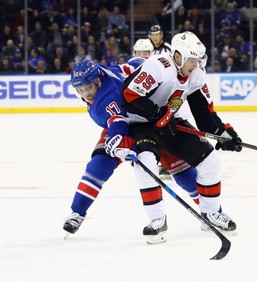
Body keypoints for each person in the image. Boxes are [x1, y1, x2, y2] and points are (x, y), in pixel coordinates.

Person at [63, 58, 199, 244]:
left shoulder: (105, 100)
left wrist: (119, 140)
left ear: (97, 82)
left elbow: (118, 122)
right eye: (81, 90)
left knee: (179, 168)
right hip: (127, 122)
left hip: (147, 124)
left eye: (88, 88)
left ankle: (212, 210)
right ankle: (76, 213)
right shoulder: (101, 71)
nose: (86, 94)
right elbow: (129, 67)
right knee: (98, 167)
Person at [120, 31, 242, 237]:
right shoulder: (158, 66)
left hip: (169, 122)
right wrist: (157, 114)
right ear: (177, 56)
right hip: (141, 123)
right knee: (146, 164)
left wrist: (224, 133)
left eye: (198, 60)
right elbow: (129, 96)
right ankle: (157, 219)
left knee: (210, 161)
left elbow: (204, 113)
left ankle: (210, 214)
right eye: (192, 60)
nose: (195, 65)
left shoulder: (196, 74)